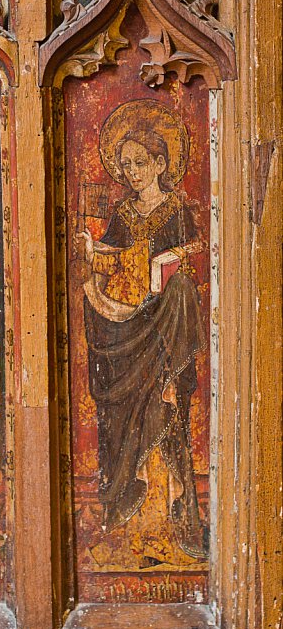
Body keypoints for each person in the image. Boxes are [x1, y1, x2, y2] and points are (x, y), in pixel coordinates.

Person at [75, 101, 207, 559]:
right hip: (127, 331)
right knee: (124, 420)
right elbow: (111, 256)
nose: (132, 173)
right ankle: (125, 527)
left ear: (160, 164)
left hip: (163, 334)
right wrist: (92, 249)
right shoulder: (123, 212)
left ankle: (172, 524)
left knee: (163, 413)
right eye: (125, 165)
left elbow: (195, 248)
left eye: (139, 163)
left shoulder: (177, 208)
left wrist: (171, 259)